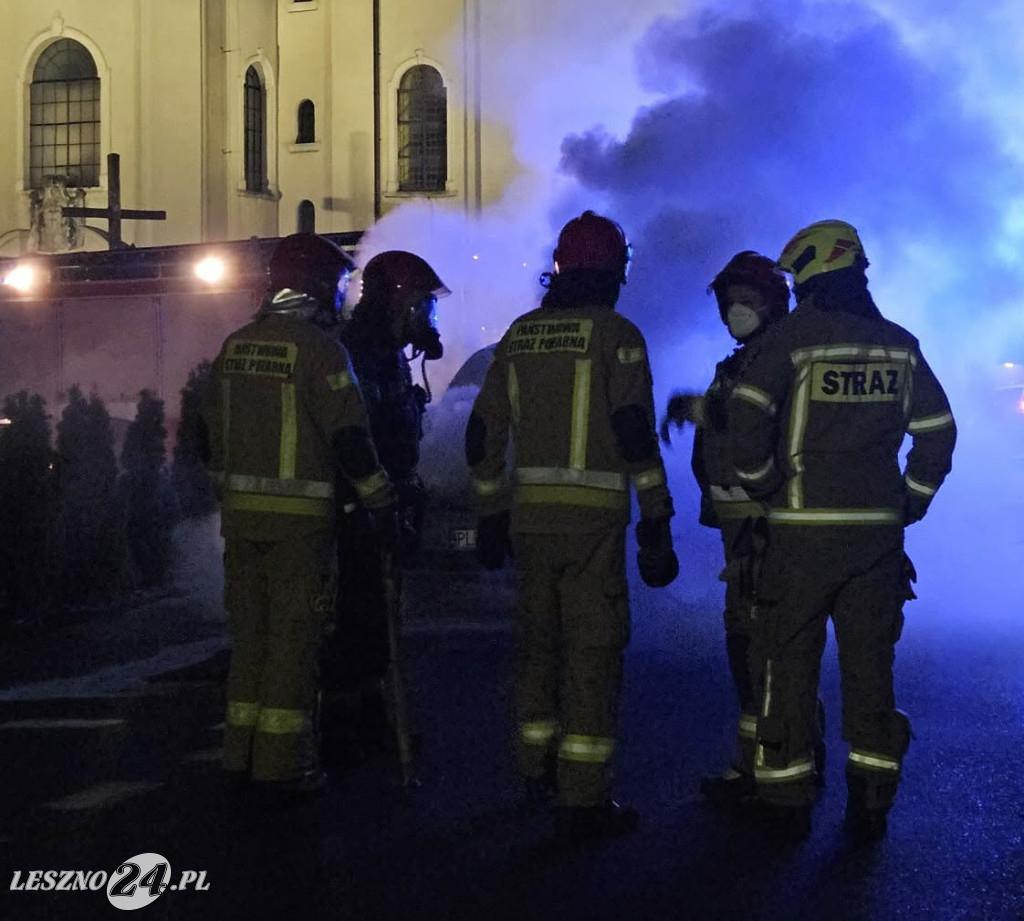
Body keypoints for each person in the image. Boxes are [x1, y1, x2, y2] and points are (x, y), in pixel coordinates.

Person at [728, 219, 956, 842]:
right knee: (870, 670)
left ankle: (787, 798)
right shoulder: (899, 345)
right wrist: (908, 503)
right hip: (876, 542)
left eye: (799, 275)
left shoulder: (793, 339)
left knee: (786, 666)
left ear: (813, 271)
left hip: (800, 537)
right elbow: (937, 432)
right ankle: (872, 798)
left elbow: (745, 423)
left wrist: (764, 485)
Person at [465, 210, 678, 842]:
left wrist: (489, 513)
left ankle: (534, 769)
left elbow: (482, 433)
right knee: (591, 654)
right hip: (594, 526)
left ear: (559, 267)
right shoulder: (619, 335)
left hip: (531, 522)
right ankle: (582, 798)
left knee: (537, 646)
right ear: (616, 270)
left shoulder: (519, 335)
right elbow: (635, 429)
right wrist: (657, 520)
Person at [199, 232, 396, 801]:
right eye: (337, 287)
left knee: (251, 644)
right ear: (314, 287)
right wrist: (380, 502)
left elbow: (205, 438)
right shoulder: (320, 352)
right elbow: (351, 440)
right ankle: (281, 768)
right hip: (300, 531)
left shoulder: (234, 346)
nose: (341, 299)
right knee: (292, 645)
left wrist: (230, 495)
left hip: (241, 527)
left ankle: (240, 759)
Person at [659, 251, 796, 810]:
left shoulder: (783, 356)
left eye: (747, 300)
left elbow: (759, 421)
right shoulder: (744, 360)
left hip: (767, 531)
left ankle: (780, 778)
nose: (735, 311)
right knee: (747, 652)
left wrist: (700, 408)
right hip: (740, 535)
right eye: (728, 302)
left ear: (774, 301)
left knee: (773, 654)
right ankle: (752, 767)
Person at [319, 249, 450, 768]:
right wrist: (380, 503)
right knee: (357, 616)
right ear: (397, 301)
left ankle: (366, 719)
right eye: (421, 304)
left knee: (375, 618)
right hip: (358, 511)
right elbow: (357, 437)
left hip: (379, 503)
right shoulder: (358, 353)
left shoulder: (386, 352)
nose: (428, 317)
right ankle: (345, 730)